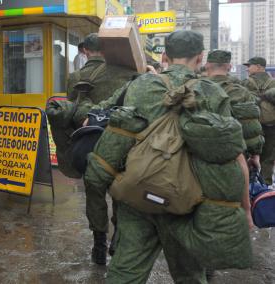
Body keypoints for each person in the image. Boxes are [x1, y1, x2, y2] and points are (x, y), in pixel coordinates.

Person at [103, 30, 251, 283]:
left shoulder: (139, 86)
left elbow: (118, 137)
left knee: (126, 272)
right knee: (190, 275)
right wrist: (244, 209)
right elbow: (233, 156)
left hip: (137, 194)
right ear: (200, 57)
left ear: (164, 56)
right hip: (188, 201)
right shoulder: (213, 93)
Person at [66, 33, 138, 265]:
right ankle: (117, 238)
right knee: (121, 191)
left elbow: (71, 113)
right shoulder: (128, 74)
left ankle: (99, 244)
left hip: (92, 145)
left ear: (85, 50)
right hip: (123, 144)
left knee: (94, 193)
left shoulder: (77, 77)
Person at [205, 50, 263, 169]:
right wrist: (254, 155)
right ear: (230, 67)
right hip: (234, 157)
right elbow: (250, 128)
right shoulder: (240, 92)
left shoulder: (195, 88)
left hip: (199, 156)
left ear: (207, 65)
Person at [242, 57, 275, 185]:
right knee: (268, 158)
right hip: (271, 125)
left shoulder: (246, 83)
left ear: (258, 66)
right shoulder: (272, 83)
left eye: (249, 66)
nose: (247, 68)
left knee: (247, 155)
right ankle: (265, 186)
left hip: (251, 126)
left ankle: (248, 186)